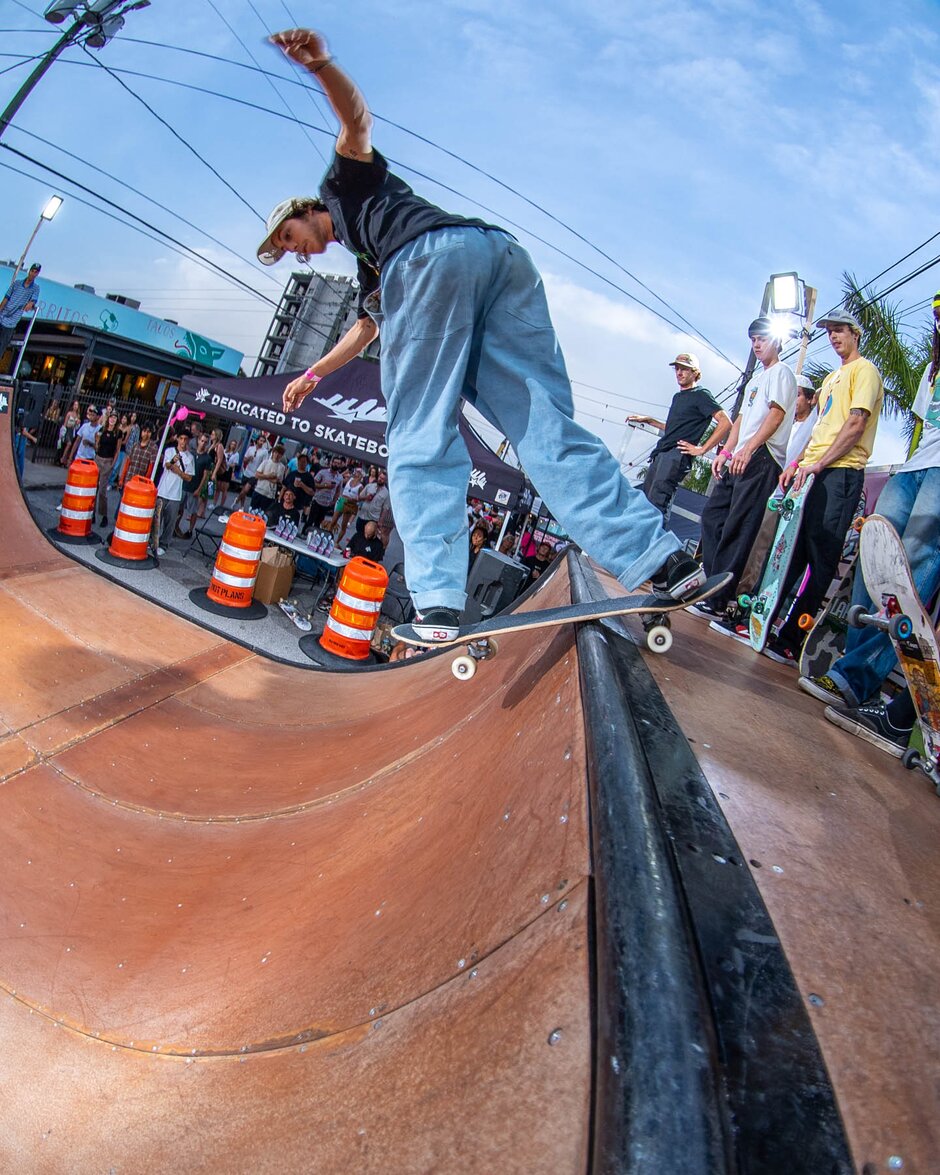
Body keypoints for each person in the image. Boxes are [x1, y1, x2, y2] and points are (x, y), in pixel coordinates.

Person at [258, 26, 705, 642]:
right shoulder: (372, 260)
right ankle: (662, 559)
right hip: (496, 257)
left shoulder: (344, 188)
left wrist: (322, 67)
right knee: (544, 426)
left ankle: (438, 602)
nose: (299, 255)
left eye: (290, 241)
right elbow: (366, 328)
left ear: (305, 212)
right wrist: (312, 373)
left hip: (430, 264)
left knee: (419, 428)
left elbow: (356, 121)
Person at [800, 292, 940, 705]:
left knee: (912, 567)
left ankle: (856, 678)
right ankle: (847, 667)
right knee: (873, 557)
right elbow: (922, 429)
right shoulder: (933, 371)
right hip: (915, 467)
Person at [763, 310, 883, 664]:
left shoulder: (865, 371)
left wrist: (820, 463)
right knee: (793, 550)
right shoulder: (832, 377)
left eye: (839, 331)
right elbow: (818, 430)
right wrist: (798, 464)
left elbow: (856, 423)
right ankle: (767, 621)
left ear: (855, 334)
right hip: (813, 472)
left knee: (822, 556)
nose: (833, 337)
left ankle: (792, 637)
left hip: (842, 472)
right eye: (829, 332)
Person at [693, 318, 797, 622]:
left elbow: (776, 415)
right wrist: (725, 451)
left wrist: (750, 449)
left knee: (739, 527)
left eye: (762, 338)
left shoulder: (783, 374)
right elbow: (739, 420)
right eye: (753, 339)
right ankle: (711, 584)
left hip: (762, 458)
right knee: (713, 516)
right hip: (739, 455)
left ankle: (719, 597)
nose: (757, 344)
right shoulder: (755, 379)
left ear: (775, 340)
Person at [628, 352, 731, 520]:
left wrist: (702, 449)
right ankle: (640, 543)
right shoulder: (678, 397)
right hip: (661, 452)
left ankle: (657, 545)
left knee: (657, 503)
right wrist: (650, 420)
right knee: (645, 502)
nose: (679, 373)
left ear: (695, 372)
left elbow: (726, 422)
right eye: (677, 369)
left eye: (684, 369)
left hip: (676, 455)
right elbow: (675, 428)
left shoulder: (701, 394)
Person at [152, 432, 194, 555]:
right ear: (177, 439)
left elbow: (189, 477)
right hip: (163, 490)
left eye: (185, 439)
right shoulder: (170, 450)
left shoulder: (189, 457)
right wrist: (172, 462)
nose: (183, 441)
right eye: (181, 438)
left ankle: (164, 543)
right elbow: (166, 464)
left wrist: (179, 472)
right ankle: (152, 540)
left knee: (170, 521)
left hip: (175, 493)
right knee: (156, 518)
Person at [0, 263, 40, 362]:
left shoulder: (35, 288)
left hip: (11, 322)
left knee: (2, 346)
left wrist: (30, 304)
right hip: (2, 316)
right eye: (32, 271)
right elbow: (5, 299)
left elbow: (33, 301)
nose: (33, 274)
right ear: (29, 271)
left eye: (36, 272)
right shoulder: (17, 283)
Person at [94, 410, 122, 526]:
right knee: (94, 488)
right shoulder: (102, 430)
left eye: (115, 418)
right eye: (111, 417)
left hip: (108, 461)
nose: (112, 419)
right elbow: (97, 444)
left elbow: (117, 450)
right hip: (98, 458)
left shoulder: (118, 433)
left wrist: (112, 464)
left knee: (102, 490)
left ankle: (103, 515)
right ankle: (92, 513)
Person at [309, 454, 345, 528]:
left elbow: (338, 491)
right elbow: (314, 484)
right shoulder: (323, 472)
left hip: (327, 503)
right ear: (331, 463)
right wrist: (325, 486)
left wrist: (334, 501)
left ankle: (314, 535)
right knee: (310, 520)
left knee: (319, 522)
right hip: (317, 500)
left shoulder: (340, 477)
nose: (336, 465)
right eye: (335, 462)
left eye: (338, 464)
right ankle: (304, 533)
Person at [251, 443, 287, 513]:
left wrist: (264, 476)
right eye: (276, 452)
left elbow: (276, 480)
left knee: (262, 514)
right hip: (259, 490)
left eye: (279, 454)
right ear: (273, 453)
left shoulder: (281, 467)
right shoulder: (265, 462)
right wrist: (268, 476)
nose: (277, 455)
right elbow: (257, 475)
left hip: (269, 494)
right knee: (252, 511)